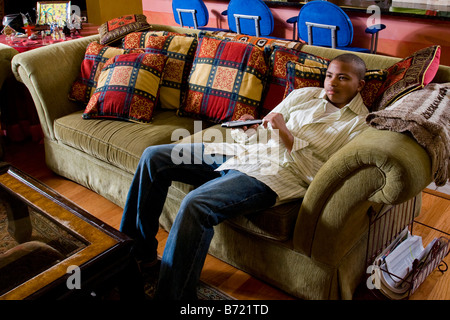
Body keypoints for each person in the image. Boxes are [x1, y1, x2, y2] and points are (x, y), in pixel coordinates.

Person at [120, 53, 369, 299]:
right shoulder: (304, 95)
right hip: (243, 152)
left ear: (360, 85)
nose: (332, 83)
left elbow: (320, 174)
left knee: (197, 204)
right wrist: (248, 128)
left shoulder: (360, 125)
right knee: (154, 156)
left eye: (342, 78)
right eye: (329, 75)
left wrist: (285, 134)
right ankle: (136, 257)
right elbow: (264, 129)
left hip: (275, 174)